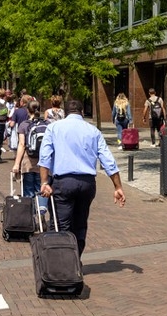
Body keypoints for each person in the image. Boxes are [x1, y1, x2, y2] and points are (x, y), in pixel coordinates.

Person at [38, 100, 126, 258]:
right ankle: (75, 259)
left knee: (60, 225)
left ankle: (63, 265)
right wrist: (117, 186)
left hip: (63, 182)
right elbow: (108, 160)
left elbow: (45, 157)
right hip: (87, 183)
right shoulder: (93, 131)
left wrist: (44, 182)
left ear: (65, 113)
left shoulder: (53, 128)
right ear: (82, 112)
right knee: (80, 224)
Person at [12, 100, 49, 217]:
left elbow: (22, 145)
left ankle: (30, 217)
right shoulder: (48, 124)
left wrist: (16, 164)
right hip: (44, 163)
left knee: (28, 189)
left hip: (28, 163)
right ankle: (41, 212)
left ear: (28, 110)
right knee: (41, 186)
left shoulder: (24, 125)